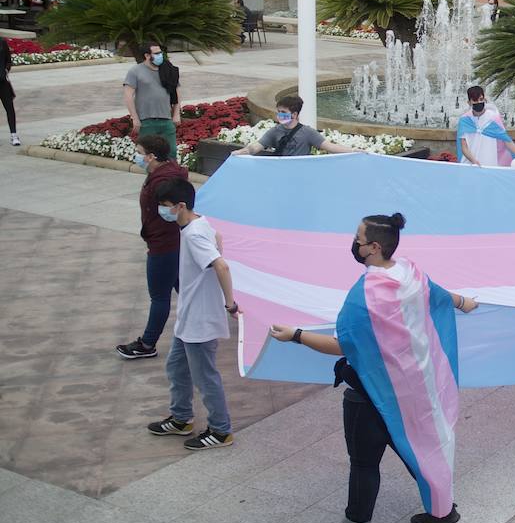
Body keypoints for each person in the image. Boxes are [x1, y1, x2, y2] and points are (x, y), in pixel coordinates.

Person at [269, 212, 477, 523]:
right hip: (413, 387)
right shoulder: (410, 271)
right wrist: (465, 303)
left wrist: (296, 335)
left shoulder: (365, 295)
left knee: (364, 462)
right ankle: (443, 510)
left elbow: (343, 345)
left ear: (374, 247)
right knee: (418, 448)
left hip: (371, 391)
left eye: (359, 238)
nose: (354, 243)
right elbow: (439, 296)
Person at [145, 178, 237, 450]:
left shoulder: (194, 234)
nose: (162, 210)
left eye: (166, 205)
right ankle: (181, 418)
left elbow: (222, 266)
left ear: (181, 206)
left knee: (205, 376)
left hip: (200, 320)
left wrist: (230, 304)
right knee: (176, 367)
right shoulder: (199, 223)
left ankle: (221, 431)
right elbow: (218, 238)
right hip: (189, 317)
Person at [116, 134, 189, 360]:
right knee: (187, 291)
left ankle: (147, 344)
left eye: (139, 153)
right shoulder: (167, 173)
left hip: (164, 244)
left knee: (159, 297)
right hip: (172, 242)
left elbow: (172, 211)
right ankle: (205, 323)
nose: (136, 156)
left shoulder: (162, 181)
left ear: (151, 156)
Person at [232, 95, 354, 157]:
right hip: (281, 174)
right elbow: (256, 147)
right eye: (278, 112)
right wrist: (243, 151)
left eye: (283, 112)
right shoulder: (274, 131)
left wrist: (354, 151)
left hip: (301, 175)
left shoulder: (307, 132)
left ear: (294, 114)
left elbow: (330, 147)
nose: (280, 115)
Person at [457, 86, 515, 167]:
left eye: (481, 99)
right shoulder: (464, 120)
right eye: (475, 100)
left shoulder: (493, 118)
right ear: (469, 102)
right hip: (470, 165)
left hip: (489, 163)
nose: (479, 102)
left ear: (485, 100)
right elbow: (464, 147)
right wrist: (474, 161)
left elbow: (507, 141)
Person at [123, 42, 180, 151]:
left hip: (166, 120)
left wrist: (176, 114)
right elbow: (128, 95)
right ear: (147, 55)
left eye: (160, 52)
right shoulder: (135, 71)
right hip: (146, 121)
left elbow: (176, 91)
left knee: (171, 152)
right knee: (148, 153)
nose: (160, 55)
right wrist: (135, 118)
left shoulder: (168, 70)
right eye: (156, 53)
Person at [1, 36, 17, 146]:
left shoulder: (2, 42)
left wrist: (6, 70)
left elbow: (8, 60)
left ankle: (14, 135)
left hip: (3, 82)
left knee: (9, 108)